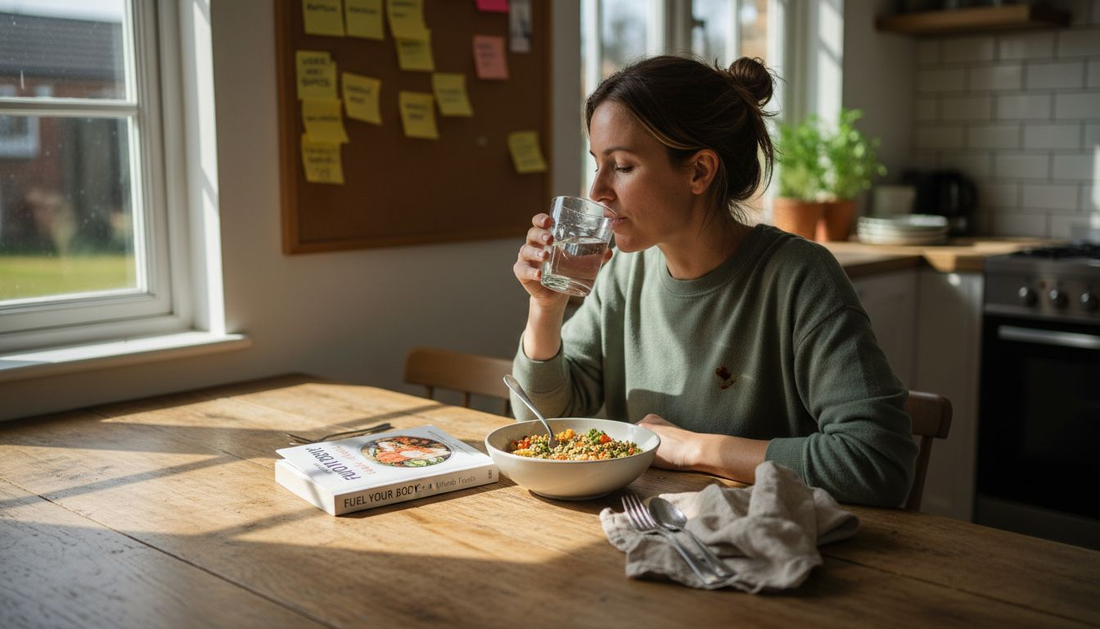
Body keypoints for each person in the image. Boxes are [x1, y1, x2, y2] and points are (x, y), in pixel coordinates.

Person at [509, 55, 917, 508]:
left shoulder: (800, 278)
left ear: (700, 171)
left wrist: (697, 448)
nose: (597, 191)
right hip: (646, 536)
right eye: (597, 164)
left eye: (621, 166)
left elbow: (878, 462)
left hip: (767, 551)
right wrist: (545, 309)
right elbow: (545, 425)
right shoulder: (624, 274)